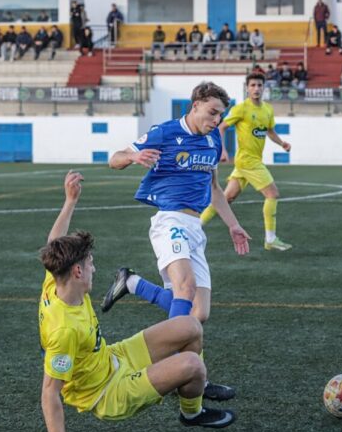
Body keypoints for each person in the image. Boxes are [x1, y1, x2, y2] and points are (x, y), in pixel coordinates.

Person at [39, 173, 236, 432]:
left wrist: (70, 202)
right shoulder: (65, 330)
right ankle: (185, 394)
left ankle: (191, 413)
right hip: (108, 392)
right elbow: (51, 392)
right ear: (77, 272)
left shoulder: (56, 281)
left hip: (111, 357)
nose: (95, 267)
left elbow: (54, 243)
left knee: (191, 325)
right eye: (90, 263)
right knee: (193, 365)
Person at [103, 82, 251, 402]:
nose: (216, 120)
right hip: (169, 220)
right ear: (195, 105)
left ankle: (132, 283)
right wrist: (133, 155)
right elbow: (113, 159)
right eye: (212, 112)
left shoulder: (212, 140)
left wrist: (233, 225)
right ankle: (175, 370)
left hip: (195, 227)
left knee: (198, 313)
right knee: (184, 289)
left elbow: (214, 188)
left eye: (220, 115)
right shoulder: (165, 132)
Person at [200, 72, 292, 251]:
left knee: (226, 198)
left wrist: (282, 143)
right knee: (272, 194)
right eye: (253, 85)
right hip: (248, 161)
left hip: (251, 161)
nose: (256, 89)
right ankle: (270, 239)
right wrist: (223, 150)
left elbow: (270, 131)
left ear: (264, 88)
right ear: (247, 88)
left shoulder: (267, 110)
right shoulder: (241, 108)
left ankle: (196, 226)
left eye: (259, 85)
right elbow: (221, 128)